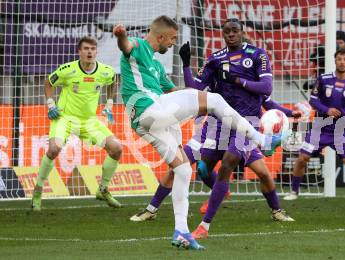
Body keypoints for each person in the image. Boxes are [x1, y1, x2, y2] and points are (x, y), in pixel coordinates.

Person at [114, 15, 282, 250]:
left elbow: (179, 92)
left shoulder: (157, 67)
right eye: (172, 38)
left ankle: (181, 232)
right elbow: (126, 46)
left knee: (182, 169)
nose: (173, 43)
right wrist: (121, 35)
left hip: (146, 124)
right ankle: (262, 140)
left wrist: (195, 94)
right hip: (149, 110)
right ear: (160, 36)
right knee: (215, 99)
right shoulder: (138, 46)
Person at [129, 97, 301, 222]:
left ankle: (277, 210)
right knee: (182, 168)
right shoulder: (217, 71)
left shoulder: (250, 75)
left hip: (240, 133)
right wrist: (187, 66)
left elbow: (267, 100)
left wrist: (289, 113)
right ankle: (151, 210)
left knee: (263, 173)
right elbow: (196, 89)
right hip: (210, 131)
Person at [31, 36, 123, 211]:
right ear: (79, 51)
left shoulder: (105, 71)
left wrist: (109, 104)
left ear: (96, 51)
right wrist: (50, 104)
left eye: (93, 49)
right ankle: (38, 190)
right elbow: (49, 82)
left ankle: (103, 189)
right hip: (64, 118)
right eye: (86, 49)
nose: (90, 52)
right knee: (53, 149)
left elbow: (113, 82)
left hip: (89, 121)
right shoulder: (67, 70)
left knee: (117, 148)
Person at [283, 49, 345, 202]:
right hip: (320, 128)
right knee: (302, 158)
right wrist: (327, 110)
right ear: (335, 61)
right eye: (339, 59)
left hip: (340, 131)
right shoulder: (323, 79)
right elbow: (313, 100)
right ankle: (294, 191)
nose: (342, 62)